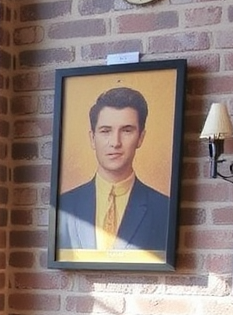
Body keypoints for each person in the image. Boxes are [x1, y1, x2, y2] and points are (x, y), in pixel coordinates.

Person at [56, 85, 169, 254]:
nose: (115, 142)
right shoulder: (64, 205)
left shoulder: (163, 208)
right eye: (105, 131)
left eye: (126, 130)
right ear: (92, 138)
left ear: (141, 138)